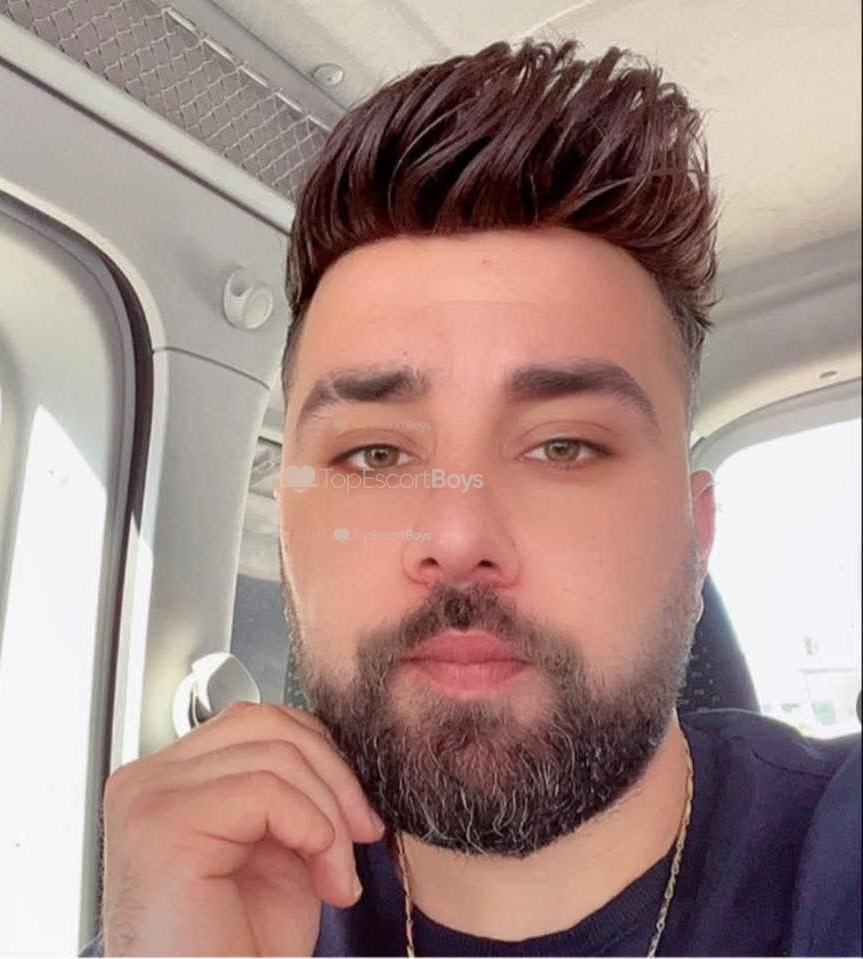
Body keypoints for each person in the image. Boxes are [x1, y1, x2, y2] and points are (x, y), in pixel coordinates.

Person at [82, 38, 862, 957]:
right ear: (286, 537)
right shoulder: (204, 919)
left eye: (563, 446)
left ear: (696, 541)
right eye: (375, 454)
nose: (455, 536)